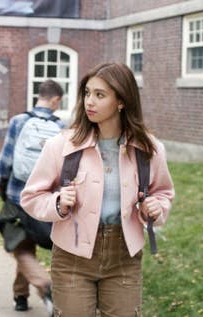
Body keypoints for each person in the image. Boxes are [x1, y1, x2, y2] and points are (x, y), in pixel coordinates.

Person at [21, 62, 174, 316]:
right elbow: (32, 197)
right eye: (87, 93)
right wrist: (58, 203)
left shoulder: (149, 149)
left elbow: (163, 192)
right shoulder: (61, 145)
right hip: (72, 256)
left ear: (121, 101)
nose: (89, 101)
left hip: (124, 255)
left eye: (100, 95)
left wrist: (157, 207)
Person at [0, 79, 64, 313]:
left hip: (18, 196)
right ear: (55, 99)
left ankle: (45, 286)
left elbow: (6, 159)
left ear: (40, 95)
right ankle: (20, 297)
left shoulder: (19, 121)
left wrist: (3, 186)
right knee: (26, 245)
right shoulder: (60, 126)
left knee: (22, 248)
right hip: (46, 200)